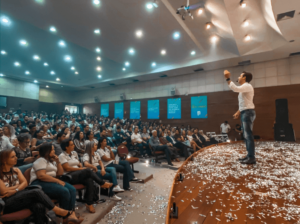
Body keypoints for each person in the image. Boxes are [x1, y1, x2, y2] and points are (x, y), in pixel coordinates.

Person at [0, 149, 81, 224]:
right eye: (12, 157)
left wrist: (14, 189)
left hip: (20, 197)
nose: (16, 158)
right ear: (4, 160)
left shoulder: (16, 170)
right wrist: (18, 187)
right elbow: (4, 191)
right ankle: (59, 211)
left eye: (15, 156)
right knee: (36, 192)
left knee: (39, 205)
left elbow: (25, 183)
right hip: (7, 203)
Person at [29, 143, 83, 223]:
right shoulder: (41, 160)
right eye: (52, 149)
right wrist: (57, 181)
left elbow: (60, 173)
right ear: (47, 151)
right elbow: (41, 176)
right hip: (39, 183)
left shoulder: (51, 161)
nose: (54, 151)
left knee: (72, 189)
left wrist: (58, 162)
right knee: (64, 191)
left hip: (51, 181)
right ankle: (65, 218)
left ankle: (71, 215)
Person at [59, 139, 112, 213]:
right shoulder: (62, 156)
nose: (73, 145)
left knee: (89, 180)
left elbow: (79, 163)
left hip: (78, 174)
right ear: (66, 147)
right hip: (69, 176)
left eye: (73, 144)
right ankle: (102, 183)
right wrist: (81, 169)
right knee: (87, 170)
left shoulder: (74, 153)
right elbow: (67, 168)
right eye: (71, 145)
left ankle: (89, 203)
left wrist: (80, 167)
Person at [224, 70, 256, 164]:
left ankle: (251, 157)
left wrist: (228, 78)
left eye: (240, 76)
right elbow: (245, 103)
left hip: (247, 113)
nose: (238, 77)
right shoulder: (245, 87)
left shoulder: (246, 85)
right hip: (246, 112)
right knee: (246, 135)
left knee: (248, 135)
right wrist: (238, 111)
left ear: (244, 78)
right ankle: (249, 156)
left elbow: (234, 88)